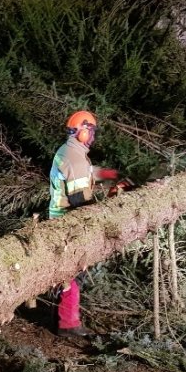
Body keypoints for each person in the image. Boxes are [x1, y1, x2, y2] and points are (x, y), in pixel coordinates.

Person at [49, 110, 119, 337]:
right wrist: (99, 218)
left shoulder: (72, 151)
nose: (93, 136)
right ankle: (67, 325)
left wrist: (112, 174)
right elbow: (79, 200)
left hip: (63, 218)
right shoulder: (75, 156)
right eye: (90, 131)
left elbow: (89, 172)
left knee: (70, 276)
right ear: (81, 131)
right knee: (70, 276)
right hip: (66, 222)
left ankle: (67, 323)